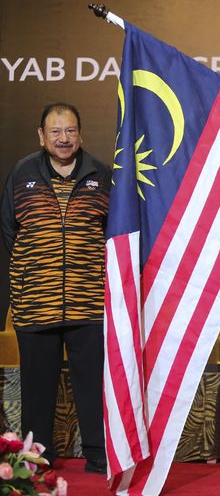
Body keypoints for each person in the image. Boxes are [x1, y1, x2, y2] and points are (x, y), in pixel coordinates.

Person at [0, 103, 110, 474]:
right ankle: (37, 458)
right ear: (41, 135)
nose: (64, 139)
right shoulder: (22, 173)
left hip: (89, 302)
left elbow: (115, 235)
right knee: (37, 388)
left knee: (93, 387)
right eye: (56, 132)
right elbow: (8, 233)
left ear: (80, 133)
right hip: (36, 303)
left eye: (71, 131)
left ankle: (98, 455)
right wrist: (31, 276)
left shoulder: (101, 174)